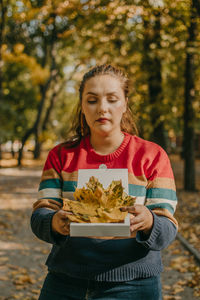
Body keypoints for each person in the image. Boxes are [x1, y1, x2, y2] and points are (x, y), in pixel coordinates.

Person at [31, 64, 178, 300]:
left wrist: (149, 221)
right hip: (65, 282)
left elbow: (167, 228)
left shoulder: (152, 156)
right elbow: (40, 215)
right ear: (82, 106)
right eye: (92, 100)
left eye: (112, 99)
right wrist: (53, 222)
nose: (102, 108)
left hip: (134, 285)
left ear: (125, 104)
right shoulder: (60, 156)